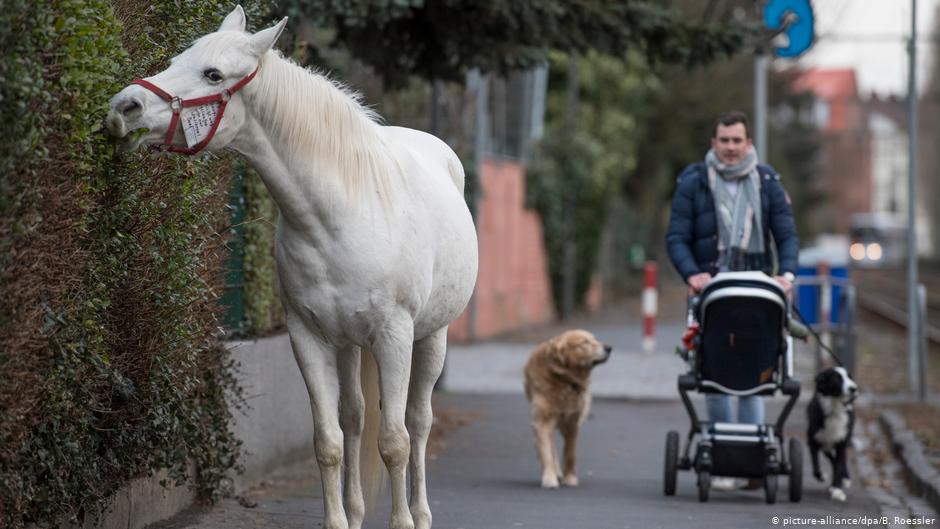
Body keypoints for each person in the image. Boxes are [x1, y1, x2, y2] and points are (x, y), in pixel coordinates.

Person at [665, 111, 799, 487]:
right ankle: (723, 454)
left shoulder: (767, 181)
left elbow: (787, 236)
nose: (730, 148)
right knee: (715, 368)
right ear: (713, 143)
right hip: (713, 290)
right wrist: (692, 273)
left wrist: (785, 276)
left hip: (758, 290)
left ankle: (753, 458)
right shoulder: (693, 182)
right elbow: (676, 236)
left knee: (756, 367)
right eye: (723, 141)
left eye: (737, 141)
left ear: (748, 144)